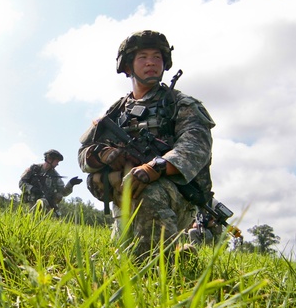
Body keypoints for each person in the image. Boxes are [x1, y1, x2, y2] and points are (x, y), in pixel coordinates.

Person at [78, 30, 215, 256]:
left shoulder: (181, 104)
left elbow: (196, 147)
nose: (151, 62)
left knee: (148, 189)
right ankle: (172, 253)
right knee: (97, 181)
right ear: (128, 66)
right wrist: (103, 154)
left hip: (176, 195)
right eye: (143, 57)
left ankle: (154, 267)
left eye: (157, 57)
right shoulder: (116, 111)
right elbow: (83, 154)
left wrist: (156, 167)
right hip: (126, 194)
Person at [19, 149, 83, 215]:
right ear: (50, 159)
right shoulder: (33, 169)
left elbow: (63, 192)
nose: (57, 164)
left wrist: (71, 183)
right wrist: (32, 188)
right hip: (29, 203)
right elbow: (21, 183)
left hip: (44, 206)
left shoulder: (55, 175)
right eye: (56, 161)